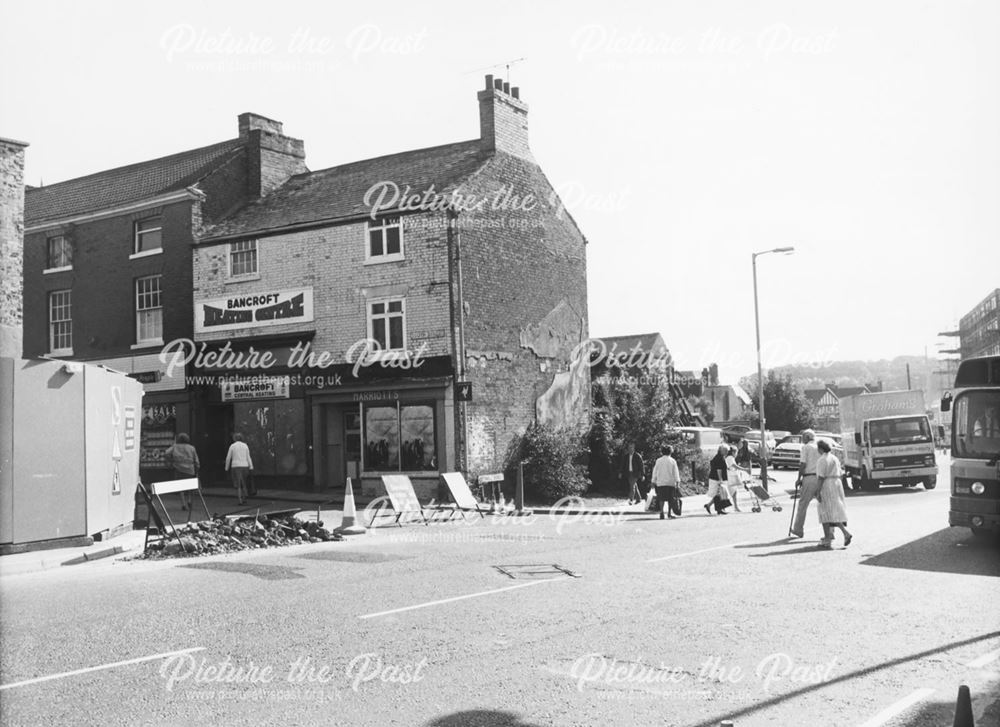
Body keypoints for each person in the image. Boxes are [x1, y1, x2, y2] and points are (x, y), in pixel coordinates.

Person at [815, 439, 852, 548]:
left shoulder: (822, 460)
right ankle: (845, 533)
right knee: (834, 511)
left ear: (821, 449)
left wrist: (818, 491)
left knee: (825, 512)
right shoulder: (834, 458)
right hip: (836, 483)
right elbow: (840, 473)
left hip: (827, 484)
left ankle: (827, 539)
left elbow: (821, 477)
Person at [790, 429, 820, 538]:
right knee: (824, 505)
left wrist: (799, 478)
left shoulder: (806, 447)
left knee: (802, 505)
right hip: (820, 478)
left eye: (803, 437)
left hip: (809, 478)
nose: (802, 439)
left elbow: (802, 464)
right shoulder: (819, 447)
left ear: (807, 438)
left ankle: (798, 529)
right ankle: (830, 532)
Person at [163, 433, 199, 511]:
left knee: (181, 487)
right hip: (190, 469)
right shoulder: (192, 448)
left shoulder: (175, 446)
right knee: (190, 487)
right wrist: (197, 467)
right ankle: (189, 500)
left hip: (179, 469)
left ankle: (183, 504)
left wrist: (171, 460)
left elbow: (166, 453)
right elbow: (196, 460)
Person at [650, 445, 681, 520]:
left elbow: (655, 471)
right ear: (670, 452)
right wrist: (677, 481)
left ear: (662, 452)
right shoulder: (672, 461)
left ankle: (661, 512)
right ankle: (669, 513)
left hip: (660, 482)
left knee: (661, 498)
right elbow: (675, 472)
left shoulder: (658, 460)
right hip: (670, 482)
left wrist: (653, 481)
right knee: (670, 499)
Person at [225, 432, 254, 505]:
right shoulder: (245, 446)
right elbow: (248, 457)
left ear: (234, 438)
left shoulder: (232, 446)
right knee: (244, 482)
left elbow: (228, 458)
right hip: (245, 465)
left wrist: (226, 468)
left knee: (238, 485)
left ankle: (240, 500)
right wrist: (251, 466)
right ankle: (244, 498)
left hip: (236, 466)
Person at [704, 444, 731, 515]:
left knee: (719, 494)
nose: (727, 452)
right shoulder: (720, 458)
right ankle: (719, 509)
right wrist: (720, 480)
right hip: (717, 478)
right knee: (719, 494)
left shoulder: (719, 457)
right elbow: (719, 470)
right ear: (721, 450)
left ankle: (710, 506)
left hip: (715, 478)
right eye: (726, 450)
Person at [726, 445, 749, 512]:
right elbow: (734, 466)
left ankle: (735, 507)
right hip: (730, 478)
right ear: (733, 452)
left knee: (734, 492)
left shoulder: (730, 458)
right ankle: (735, 507)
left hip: (731, 477)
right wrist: (744, 469)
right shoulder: (730, 458)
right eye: (736, 452)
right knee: (731, 492)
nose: (737, 454)